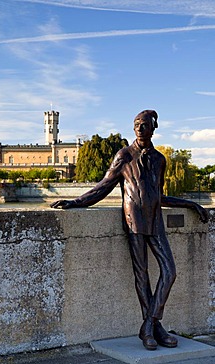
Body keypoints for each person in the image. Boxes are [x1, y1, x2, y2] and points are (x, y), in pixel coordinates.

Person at [51, 110, 208, 350]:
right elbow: (103, 187)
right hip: (133, 220)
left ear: (153, 127)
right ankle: (153, 331)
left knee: (170, 271)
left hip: (155, 221)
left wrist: (191, 203)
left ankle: (149, 324)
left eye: (144, 125)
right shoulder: (124, 156)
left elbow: (159, 194)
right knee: (142, 274)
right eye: (136, 124)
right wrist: (75, 202)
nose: (139, 128)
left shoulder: (159, 159)